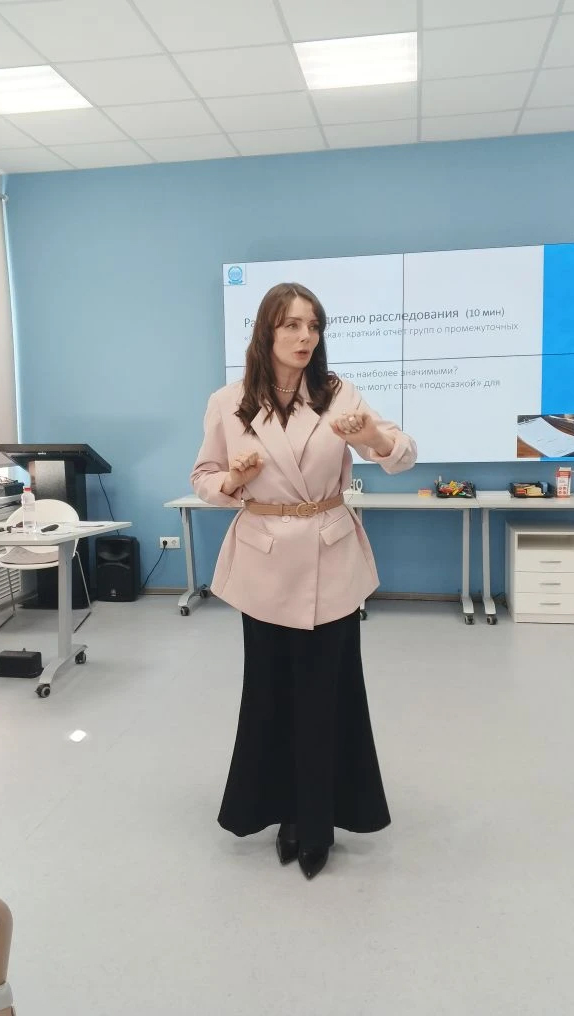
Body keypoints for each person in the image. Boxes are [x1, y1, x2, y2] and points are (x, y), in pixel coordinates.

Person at [191, 282, 417, 880]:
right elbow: (204, 477)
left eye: (313, 326)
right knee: (270, 694)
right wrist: (233, 481)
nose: (304, 337)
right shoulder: (228, 401)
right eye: (291, 325)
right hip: (264, 559)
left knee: (327, 694)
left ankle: (319, 822)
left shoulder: (337, 393)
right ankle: (281, 812)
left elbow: (403, 454)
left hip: (329, 554)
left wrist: (371, 439)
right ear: (265, 331)